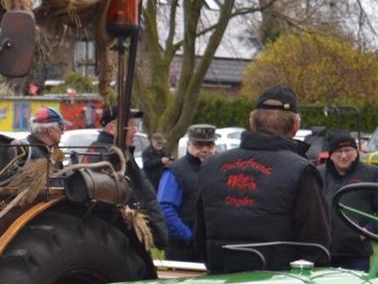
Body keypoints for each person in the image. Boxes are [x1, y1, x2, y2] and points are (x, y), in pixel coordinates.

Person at [194, 86, 329, 273]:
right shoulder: (301, 171)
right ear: (295, 126)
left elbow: (199, 237)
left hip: (221, 282)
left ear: (252, 123)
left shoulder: (211, 165)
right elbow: (316, 245)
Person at [83, 104, 168, 248]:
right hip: (118, 240)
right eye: (130, 125)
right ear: (112, 128)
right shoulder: (110, 155)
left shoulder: (118, 152)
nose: (135, 130)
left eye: (135, 125)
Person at [318, 130, 378, 271]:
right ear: (330, 155)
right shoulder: (318, 174)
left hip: (356, 253)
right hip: (324, 251)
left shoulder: (371, 173)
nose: (344, 156)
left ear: (356, 152)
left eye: (348, 150)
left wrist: (369, 230)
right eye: (338, 151)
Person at [157, 124, 216, 262]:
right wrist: (190, 238)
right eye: (199, 145)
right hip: (183, 251)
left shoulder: (219, 169)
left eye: (209, 144)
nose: (205, 149)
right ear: (189, 144)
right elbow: (166, 209)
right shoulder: (175, 171)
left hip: (211, 249)